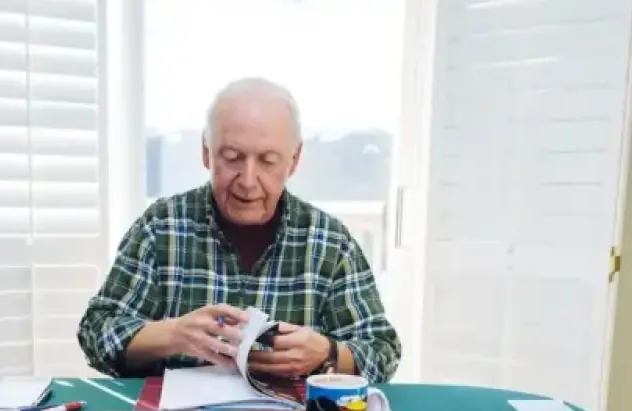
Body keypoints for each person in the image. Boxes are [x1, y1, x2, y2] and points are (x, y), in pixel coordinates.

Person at [77, 77, 401, 382]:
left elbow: (382, 351)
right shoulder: (161, 228)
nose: (247, 181)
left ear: (294, 159)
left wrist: (327, 354)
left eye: (268, 161)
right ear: (206, 153)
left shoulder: (330, 242)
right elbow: (96, 332)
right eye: (232, 157)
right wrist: (172, 334)